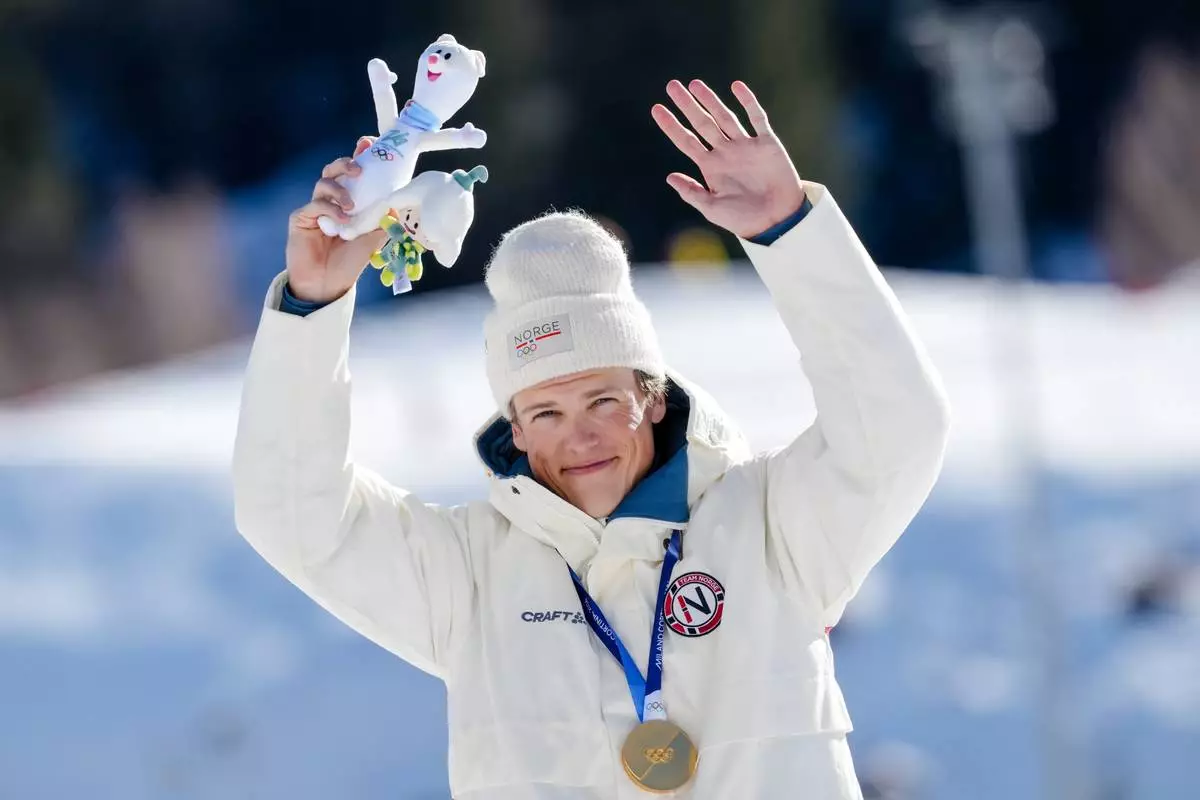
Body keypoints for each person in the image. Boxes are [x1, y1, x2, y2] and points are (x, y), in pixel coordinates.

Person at [233, 78, 951, 799]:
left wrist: (791, 233)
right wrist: (312, 307)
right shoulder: (469, 576)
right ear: (515, 429)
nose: (579, 437)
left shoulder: (771, 527)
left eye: (603, 401)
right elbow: (293, 514)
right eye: (545, 413)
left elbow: (897, 425)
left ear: (653, 395)